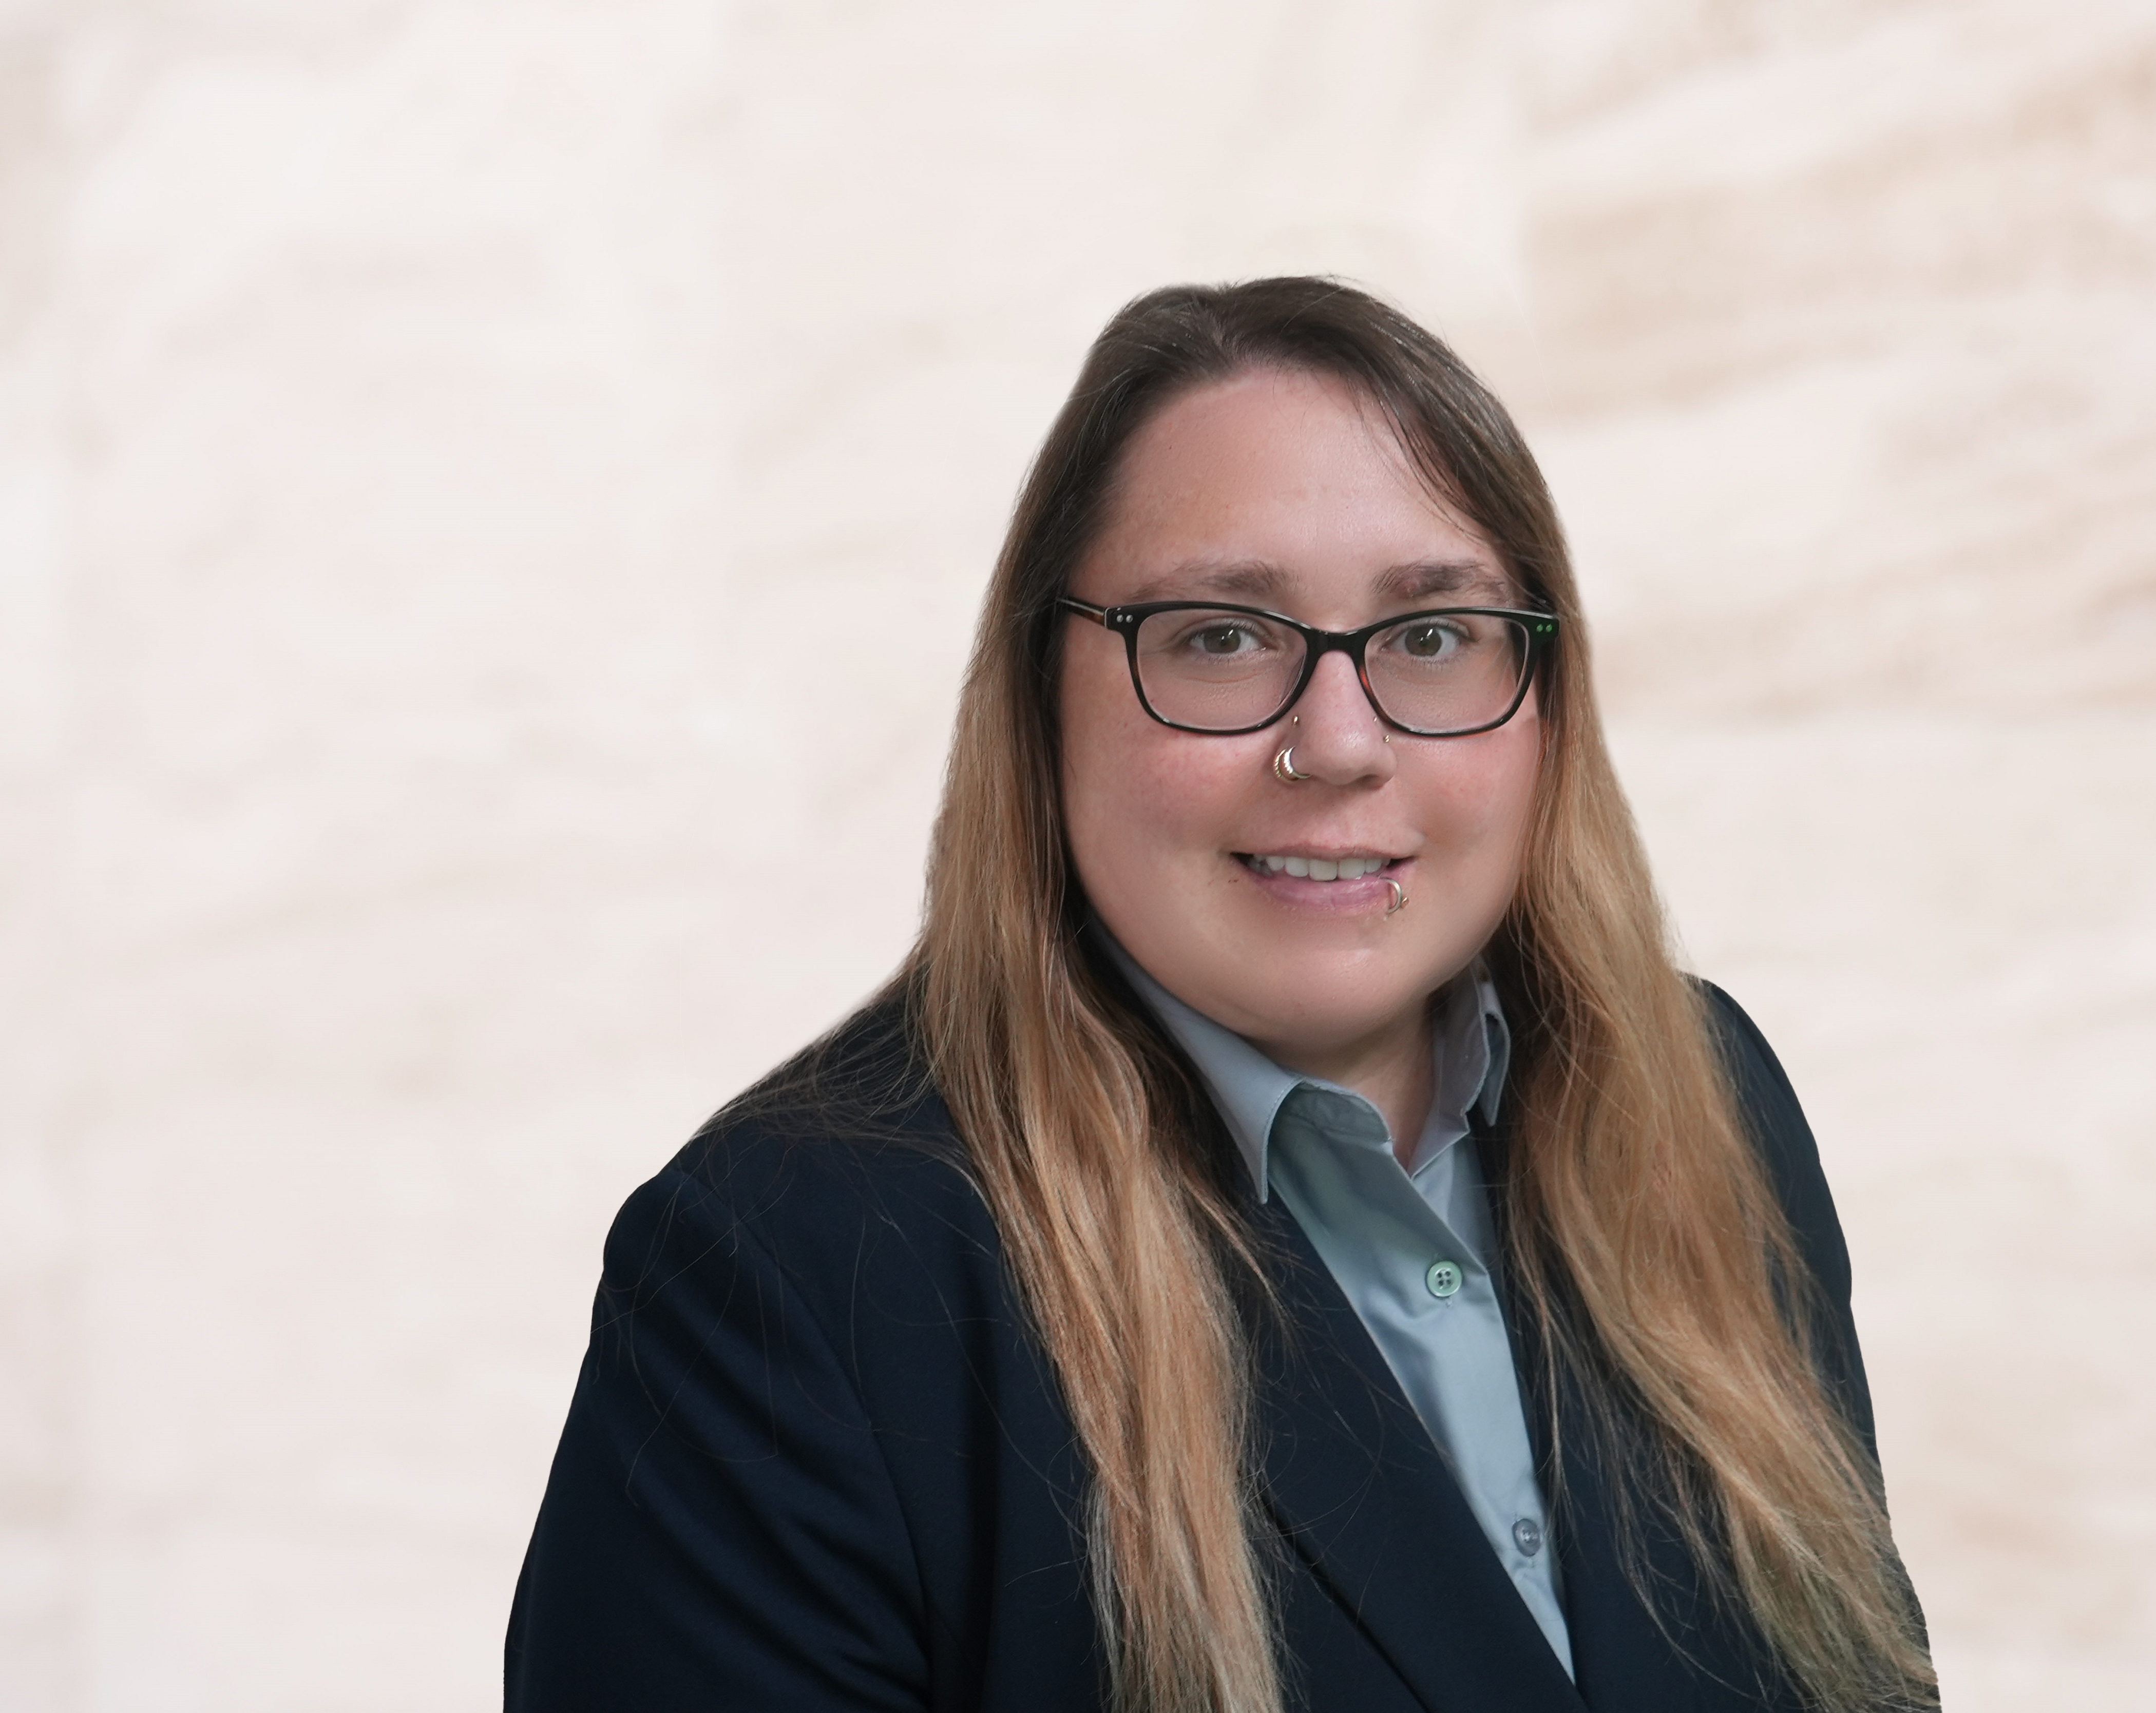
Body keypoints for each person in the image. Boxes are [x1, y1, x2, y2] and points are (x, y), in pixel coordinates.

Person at [505, 278, 1936, 1712]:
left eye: (1432, 636)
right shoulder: (793, 1270)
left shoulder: (1703, 1100)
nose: (1341, 744)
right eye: (1221, 637)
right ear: (1042, 695)